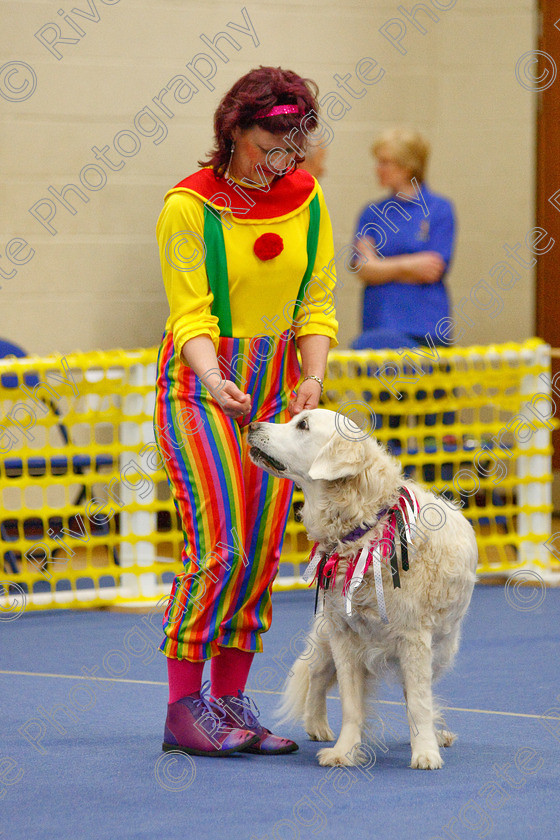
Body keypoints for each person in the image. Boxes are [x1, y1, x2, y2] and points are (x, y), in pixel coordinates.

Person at [153, 66, 338, 757]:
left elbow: (315, 303)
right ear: (233, 131)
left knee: (260, 552)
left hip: (275, 389)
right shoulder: (189, 205)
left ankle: (229, 702)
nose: (281, 162)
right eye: (271, 145)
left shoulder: (308, 198)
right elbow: (190, 314)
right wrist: (214, 377)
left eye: (296, 146)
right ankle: (182, 708)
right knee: (220, 545)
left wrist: (311, 378)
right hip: (200, 386)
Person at [351, 127, 455, 350]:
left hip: (425, 327)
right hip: (379, 323)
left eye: (384, 162)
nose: (377, 169)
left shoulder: (439, 209)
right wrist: (410, 265)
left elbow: (433, 268)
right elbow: (363, 268)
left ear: (408, 166)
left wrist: (381, 267)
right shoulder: (371, 213)